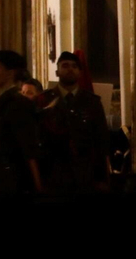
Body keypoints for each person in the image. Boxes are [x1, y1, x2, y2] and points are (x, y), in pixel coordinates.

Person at [39, 51, 109, 192]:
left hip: (84, 172)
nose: (70, 69)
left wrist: (101, 177)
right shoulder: (44, 100)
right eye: (65, 66)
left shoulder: (92, 102)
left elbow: (101, 140)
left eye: (74, 66)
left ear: (80, 72)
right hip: (53, 172)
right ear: (57, 71)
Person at [0, 51, 43, 194]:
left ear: (10, 73)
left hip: (14, 178)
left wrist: (37, 185)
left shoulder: (18, 103)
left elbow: (28, 147)